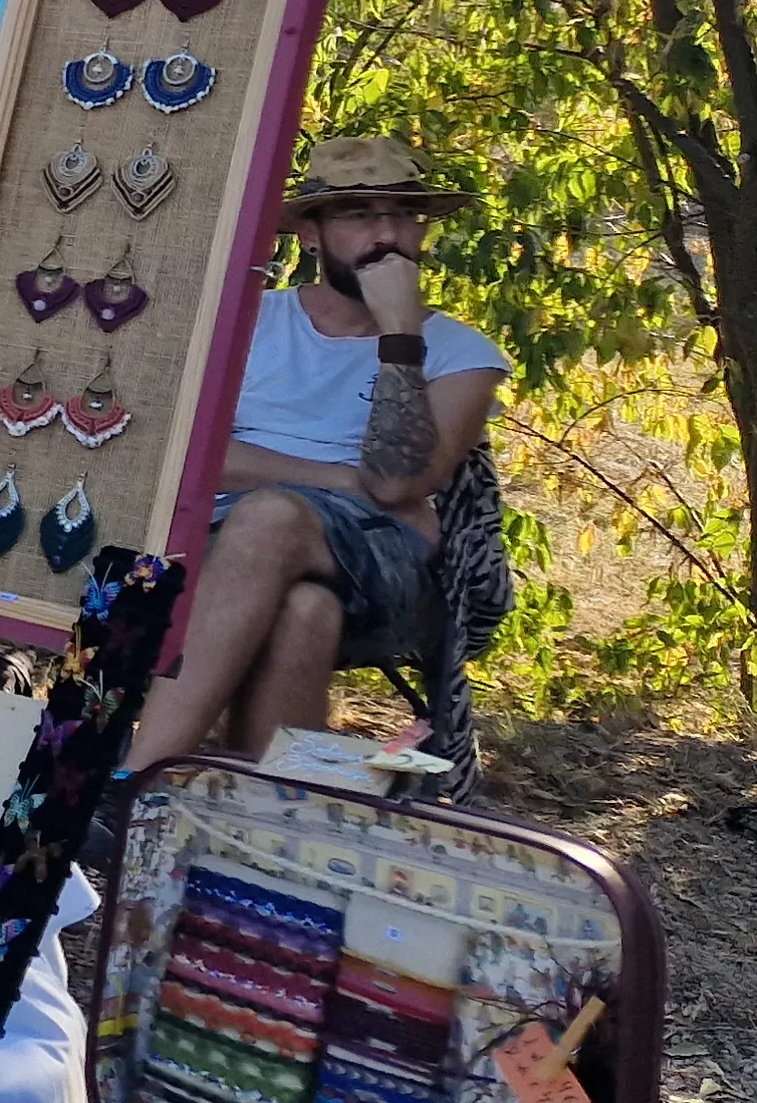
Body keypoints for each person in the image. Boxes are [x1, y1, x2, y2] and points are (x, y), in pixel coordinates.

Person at [125, 136, 506, 766]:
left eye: (403, 214)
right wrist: (340, 478)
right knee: (306, 612)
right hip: (203, 540)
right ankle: (267, 818)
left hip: (385, 562)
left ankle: (133, 776)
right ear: (310, 232)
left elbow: (394, 483)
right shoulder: (242, 322)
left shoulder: (463, 354)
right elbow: (182, 455)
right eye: (358, 214)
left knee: (271, 517)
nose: (385, 233)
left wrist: (400, 335)